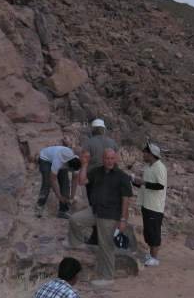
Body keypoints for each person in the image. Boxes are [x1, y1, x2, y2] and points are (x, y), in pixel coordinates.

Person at [68, 149, 133, 286]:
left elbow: (126, 200)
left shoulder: (122, 177)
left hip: (109, 215)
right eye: (107, 158)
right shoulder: (97, 171)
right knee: (75, 219)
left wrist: (123, 220)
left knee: (106, 246)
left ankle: (107, 277)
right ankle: (77, 243)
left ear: (116, 159)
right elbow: (82, 181)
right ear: (103, 159)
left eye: (112, 158)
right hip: (95, 210)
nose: (109, 161)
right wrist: (84, 164)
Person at [81, 118, 117, 244]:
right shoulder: (112, 142)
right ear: (103, 129)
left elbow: (84, 161)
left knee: (95, 208)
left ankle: (96, 237)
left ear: (93, 130)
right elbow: (116, 161)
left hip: (93, 180)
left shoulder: (88, 143)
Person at [132, 140, 167, 267]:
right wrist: (134, 181)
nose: (143, 154)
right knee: (148, 232)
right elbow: (146, 184)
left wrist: (143, 183)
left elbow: (160, 186)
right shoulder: (148, 166)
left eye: (145, 153)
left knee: (154, 232)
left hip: (155, 206)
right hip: (146, 204)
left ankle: (155, 258)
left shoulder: (160, 167)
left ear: (151, 154)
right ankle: (151, 256)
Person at [35, 145, 81, 219]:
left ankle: (63, 211)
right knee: (47, 183)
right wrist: (59, 197)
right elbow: (53, 179)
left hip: (61, 159)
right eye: (71, 170)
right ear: (68, 166)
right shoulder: (58, 162)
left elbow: (75, 178)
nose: (71, 172)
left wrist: (72, 197)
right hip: (45, 159)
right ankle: (39, 206)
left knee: (65, 183)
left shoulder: (76, 161)